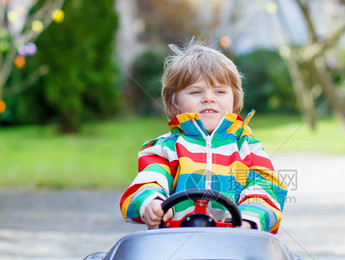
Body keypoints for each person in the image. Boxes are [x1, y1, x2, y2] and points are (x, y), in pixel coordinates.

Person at [120, 40, 287, 233]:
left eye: (220, 91)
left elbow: (265, 187)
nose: (209, 98)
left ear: (234, 101)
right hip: (174, 242)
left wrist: (249, 219)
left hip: (235, 243)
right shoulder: (165, 149)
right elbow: (149, 181)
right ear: (174, 103)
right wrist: (151, 202)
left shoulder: (248, 149)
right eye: (196, 91)